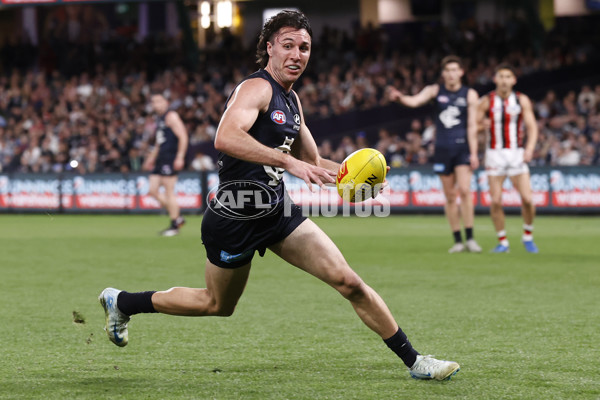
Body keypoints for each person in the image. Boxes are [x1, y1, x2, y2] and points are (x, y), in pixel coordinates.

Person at [99, 10, 460, 381]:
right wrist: (287, 163)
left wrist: (358, 180)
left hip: (276, 211)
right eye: (288, 45)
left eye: (304, 47)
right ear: (269, 48)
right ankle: (123, 301)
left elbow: (313, 161)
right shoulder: (256, 88)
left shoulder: (293, 100)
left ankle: (416, 362)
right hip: (234, 216)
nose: (297, 54)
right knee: (217, 304)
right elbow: (225, 138)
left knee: (348, 281)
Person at [388, 56, 482, 254]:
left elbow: (473, 125)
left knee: (464, 191)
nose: (451, 74)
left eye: (455, 70)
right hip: (442, 149)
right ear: (443, 73)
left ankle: (471, 238)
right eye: (447, 70)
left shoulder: (470, 94)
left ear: (461, 72)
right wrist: (400, 98)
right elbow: (414, 101)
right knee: (449, 196)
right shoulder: (435, 90)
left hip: (463, 148)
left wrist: (474, 153)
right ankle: (458, 240)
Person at [477, 64, 539, 253]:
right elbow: (473, 125)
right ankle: (503, 241)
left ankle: (527, 236)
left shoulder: (521, 100)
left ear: (514, 80)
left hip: (516, 153)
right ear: (495, 79)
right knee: (496, 201)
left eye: (508, 76)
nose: (504, 80)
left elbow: (532, 127)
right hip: (494, 155)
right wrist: (482, 125)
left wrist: (529, 149)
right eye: (501, 76)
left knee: (527, 199)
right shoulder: (487, 101)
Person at [142, 93, 189, 236]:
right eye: (153, 102)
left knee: (169, 191)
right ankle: (178, 216)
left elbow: (183, 136)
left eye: (159, 101)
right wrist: (151, 157)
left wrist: (180, 157)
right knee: (152, 190)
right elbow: (159, 141)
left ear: (166, 102)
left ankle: (174, 225)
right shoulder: (160, 118)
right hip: (161, 158)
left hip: (170, 157)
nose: (156, 104)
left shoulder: (171, 116)